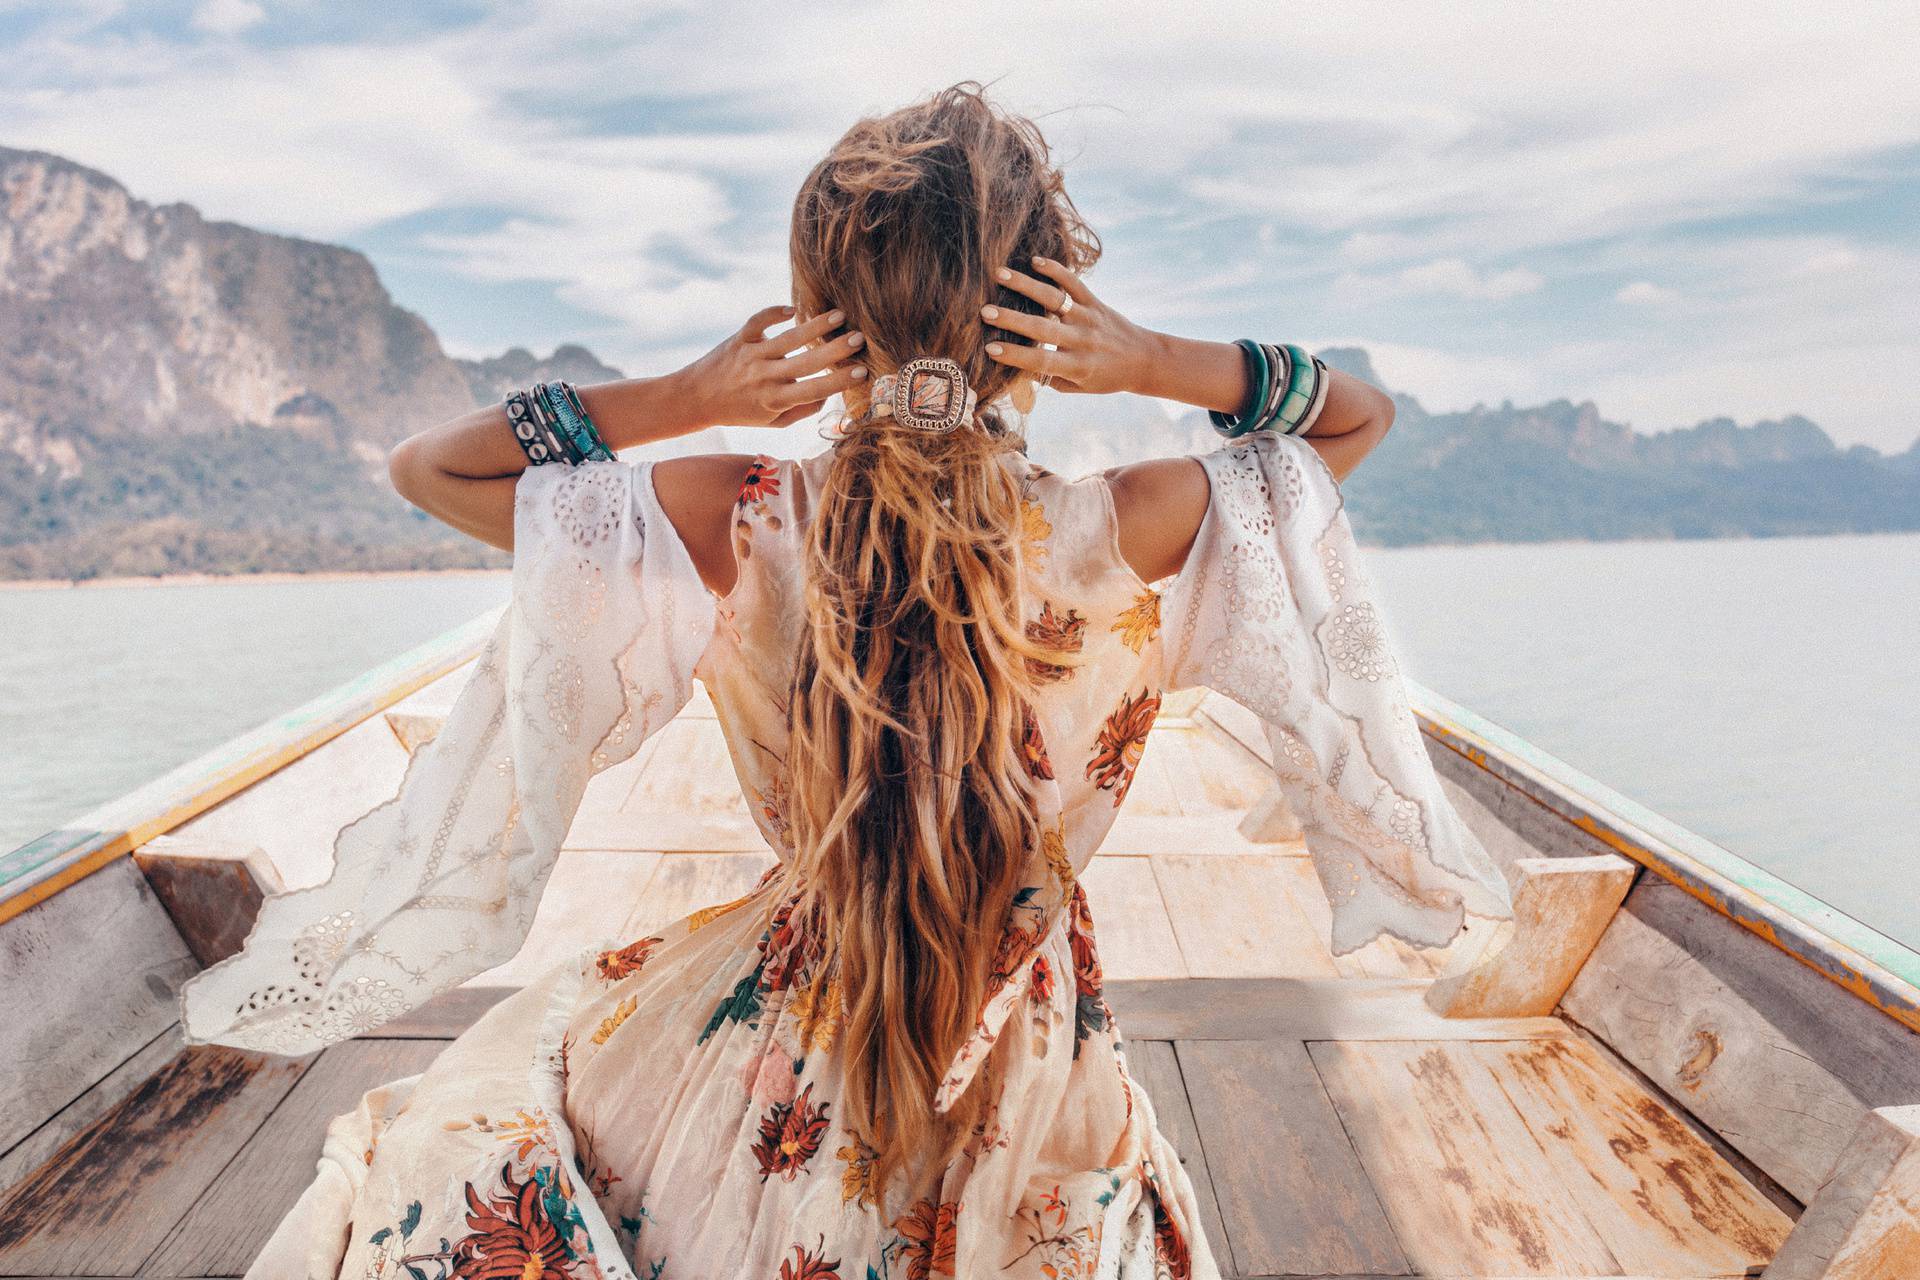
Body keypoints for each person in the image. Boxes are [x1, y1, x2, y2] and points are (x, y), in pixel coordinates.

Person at [182, 83, 1512, 1280]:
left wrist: (690, 390)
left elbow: (433, 470)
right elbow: (1352, 421)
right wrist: (1156, 360)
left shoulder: (739, 514)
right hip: (1030, 1048)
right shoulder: (1143, 527)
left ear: (827, 319)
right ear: (1047, 314)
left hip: (789, 1034)